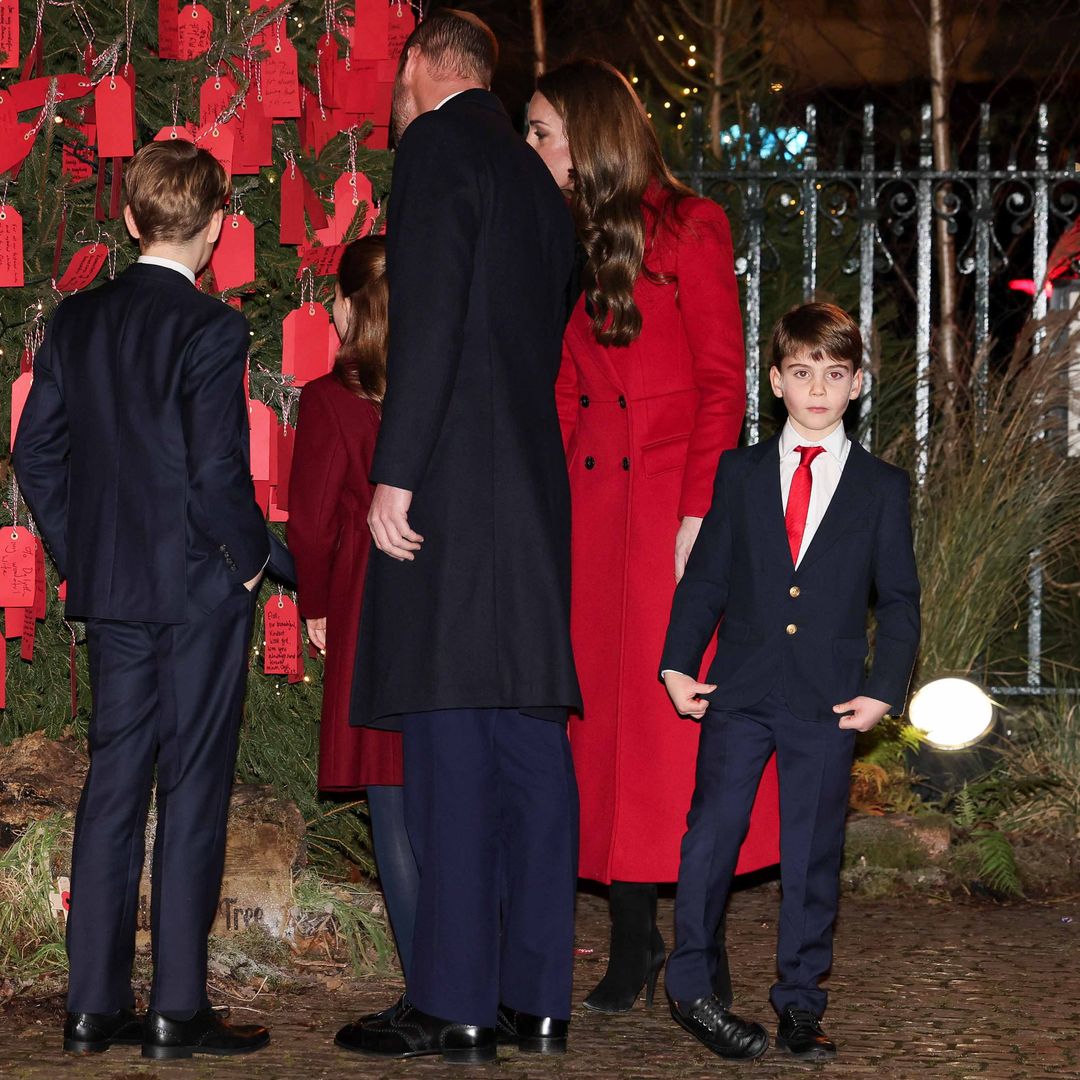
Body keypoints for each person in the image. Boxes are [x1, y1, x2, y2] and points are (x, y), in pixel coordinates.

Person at [333, 10, 580, 1065]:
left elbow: (426, 318)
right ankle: (536, 999)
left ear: (421, 66)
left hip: (450, 492)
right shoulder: (537, 178)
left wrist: (397, 472)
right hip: (529, 492)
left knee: (447, 745)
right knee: (529, 744)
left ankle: (454, 1001)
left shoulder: (435, 145)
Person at [13, 140, 295, 1060]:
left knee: (112, 789)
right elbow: (217, 476)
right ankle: (176, 1007)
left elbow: (34, 455)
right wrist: (253, 562)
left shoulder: (77, 322)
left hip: (116, 591)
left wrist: (78, 549)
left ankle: (92, 1006)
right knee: (195, 789)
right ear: (215, 229)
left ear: (130, 220)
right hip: (200, 590)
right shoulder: (212, 330)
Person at [526, 57, 780, 1014]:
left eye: (546, 130)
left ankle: (692, 945)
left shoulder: (691, 224)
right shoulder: (562, 235)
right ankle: (632, 939)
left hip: (675, 509)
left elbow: (724, 381)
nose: (535, 147)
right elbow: (557, 386)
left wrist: (701, 517)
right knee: (605, 733)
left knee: (677, 730)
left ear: (592, 132)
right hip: (592, 517)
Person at [660, 303, 921, 1061]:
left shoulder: (881, 487)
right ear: (776, 381)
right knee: (710, 836)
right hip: (738, 689)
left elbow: (900, 598)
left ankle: (801, 1002)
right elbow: (706, 579)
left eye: (834, 375)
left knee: (812, 853)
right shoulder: (738, 473)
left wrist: (884, 687)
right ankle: (693, 986)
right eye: (802, 373)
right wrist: (677, 663)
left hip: (827, 699)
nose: (817, 389)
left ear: (856, 385)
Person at [287, 237, 418, 978]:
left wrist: (317, 603)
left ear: (344, 306)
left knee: (390, 797)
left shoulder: (330, 398)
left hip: (368, 598)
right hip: (442, 598)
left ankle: (424, 980)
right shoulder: (444, 386)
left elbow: (309, 520)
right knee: (443, 792)